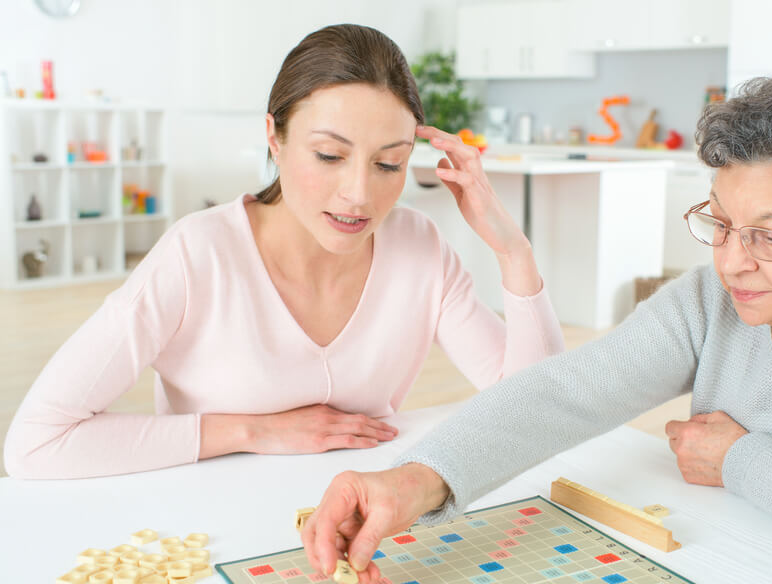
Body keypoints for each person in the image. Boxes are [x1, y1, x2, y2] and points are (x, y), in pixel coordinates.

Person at [299, 70, 772, 583]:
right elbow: (567, 391)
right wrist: (414, 480)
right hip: (748, 564)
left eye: (769, 238)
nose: (731, 261)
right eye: (720, 224)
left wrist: (736, 458)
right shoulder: (712, 299)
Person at [4, 25, 564, 479]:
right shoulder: (198, 254)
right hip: (210, 529)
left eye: (389, 163)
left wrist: (512, 249)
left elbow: (539, 412)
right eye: (328, 155)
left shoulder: (420, 248)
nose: (359, 194)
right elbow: (35, 444)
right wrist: (255, 430)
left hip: (368, 527)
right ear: (274, 138)